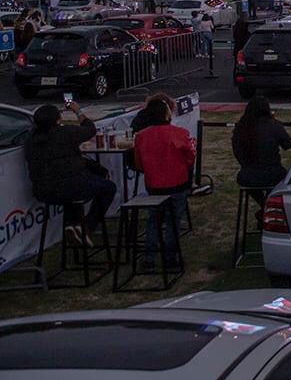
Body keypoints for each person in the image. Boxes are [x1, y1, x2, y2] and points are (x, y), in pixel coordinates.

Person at [24, 102, 116, 245]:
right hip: (70, 187)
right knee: (108, 188)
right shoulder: (65, 132)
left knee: (69, 186)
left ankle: (71, 225)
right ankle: (86, 227)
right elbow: (90, 129)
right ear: (57, 119)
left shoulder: (30, 139)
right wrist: (78, 111)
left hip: (43, 191)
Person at [132, 97, 195, 268]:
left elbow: (139, 164)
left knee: (154, 220)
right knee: (173, 221)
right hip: (177, 183)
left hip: (154, 185)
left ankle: (149, 258)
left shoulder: (141, 137)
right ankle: (170, 258)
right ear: (167, 114)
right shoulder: (179, 133)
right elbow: (190, 157)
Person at [231, 96, 291, 214]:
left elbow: (237, 152)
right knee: (282, 181)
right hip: (273, 173)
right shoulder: (273, 125)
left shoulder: (241, 128)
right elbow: (288, 144)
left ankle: (264, 206)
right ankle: (268, 208)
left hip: (248, 175)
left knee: (247, 182)